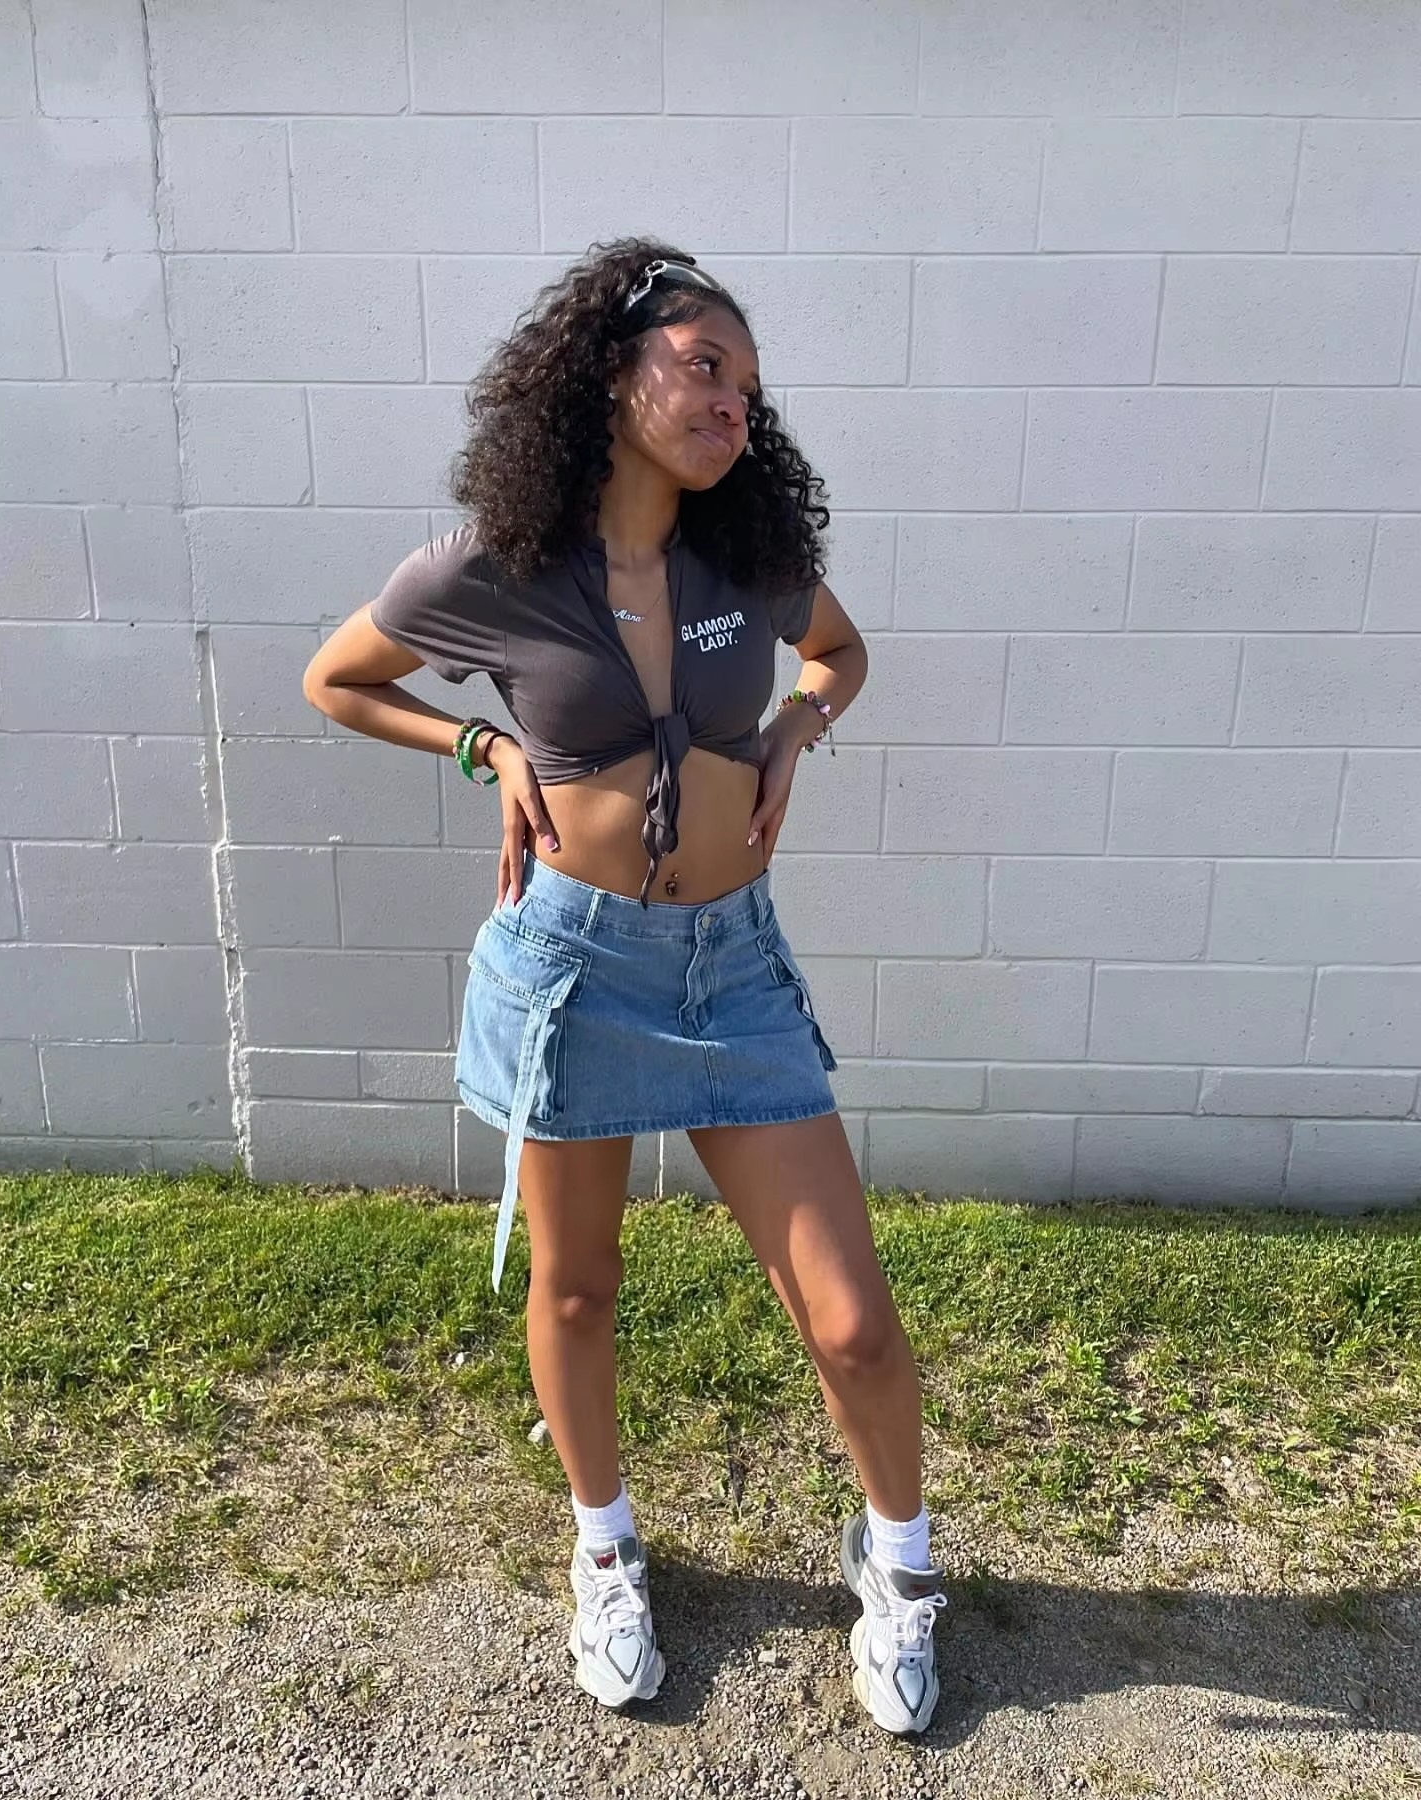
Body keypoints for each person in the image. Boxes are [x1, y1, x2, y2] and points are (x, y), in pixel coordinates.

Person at [302, 239, 947, 1735]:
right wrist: (485, 747)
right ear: (611, 373)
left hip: (732, 974)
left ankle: (902, 1565)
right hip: (574, 969)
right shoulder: (491, 566)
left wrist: (792, 730)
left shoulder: (747, 557)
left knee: (852, 1322)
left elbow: (840, 654)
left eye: (749, 388)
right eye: (705, 367)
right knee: (578, 1288)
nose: (731, 403)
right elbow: (339, 679)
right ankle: (604, 1548)